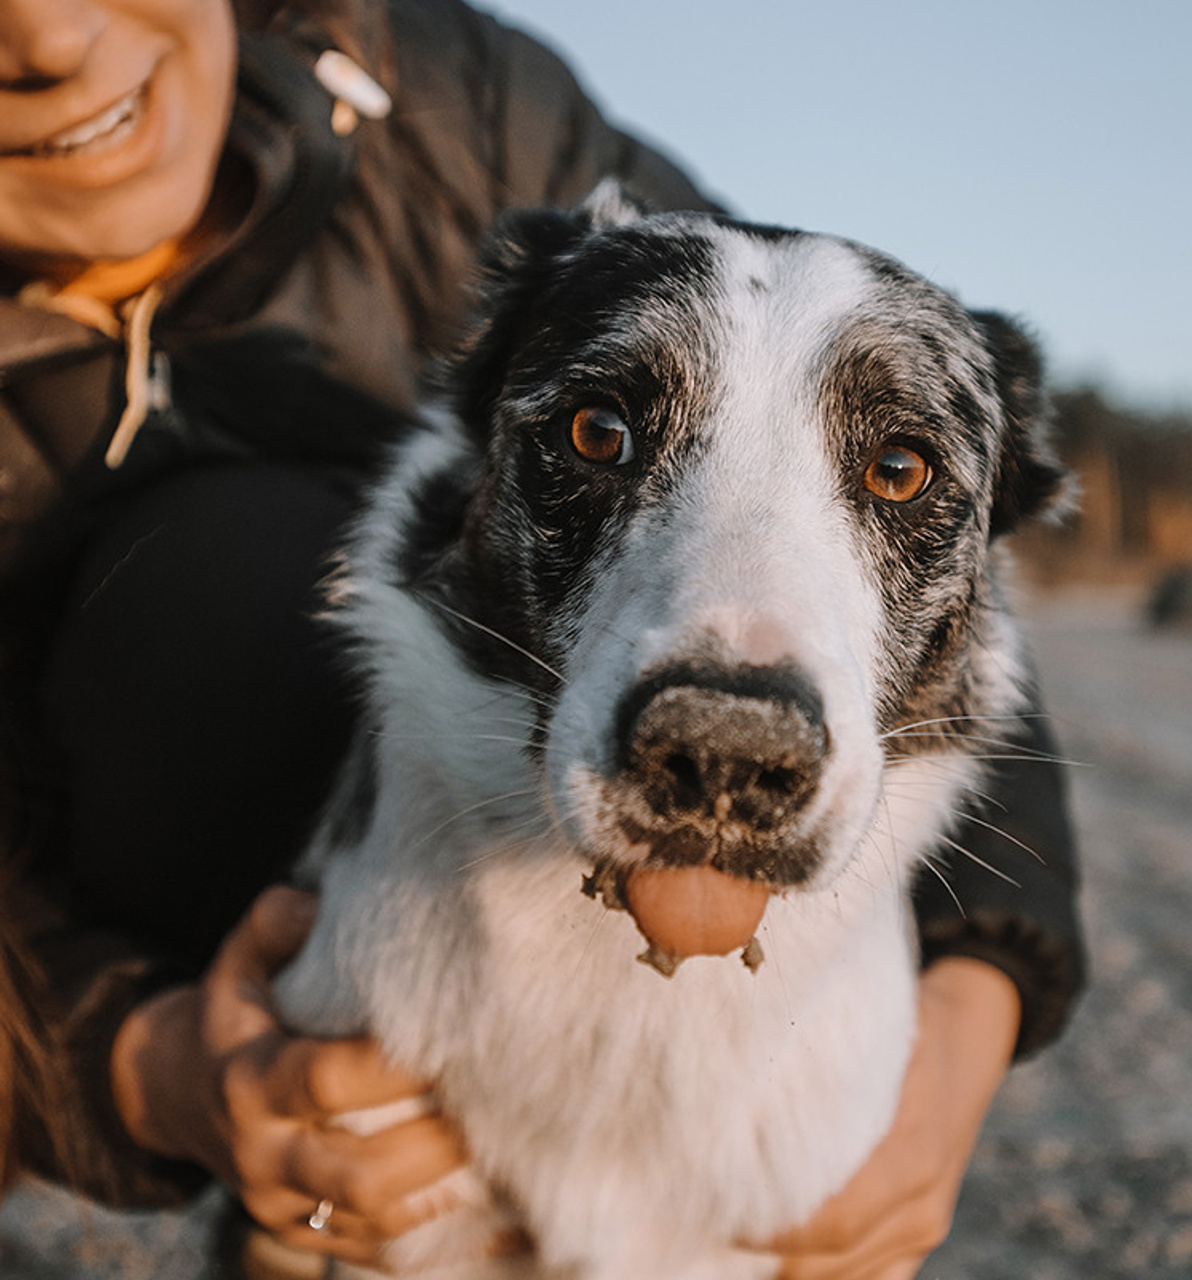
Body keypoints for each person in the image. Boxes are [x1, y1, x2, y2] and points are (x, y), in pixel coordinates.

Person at [0, 0, 1085, 1274]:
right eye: (601, 436)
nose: (50, 34)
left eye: (898, 469)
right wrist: (155, 1063)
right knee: (213, 570)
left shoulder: (456, 99)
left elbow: (953, 628)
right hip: (306, 876)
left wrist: (964, 1025)